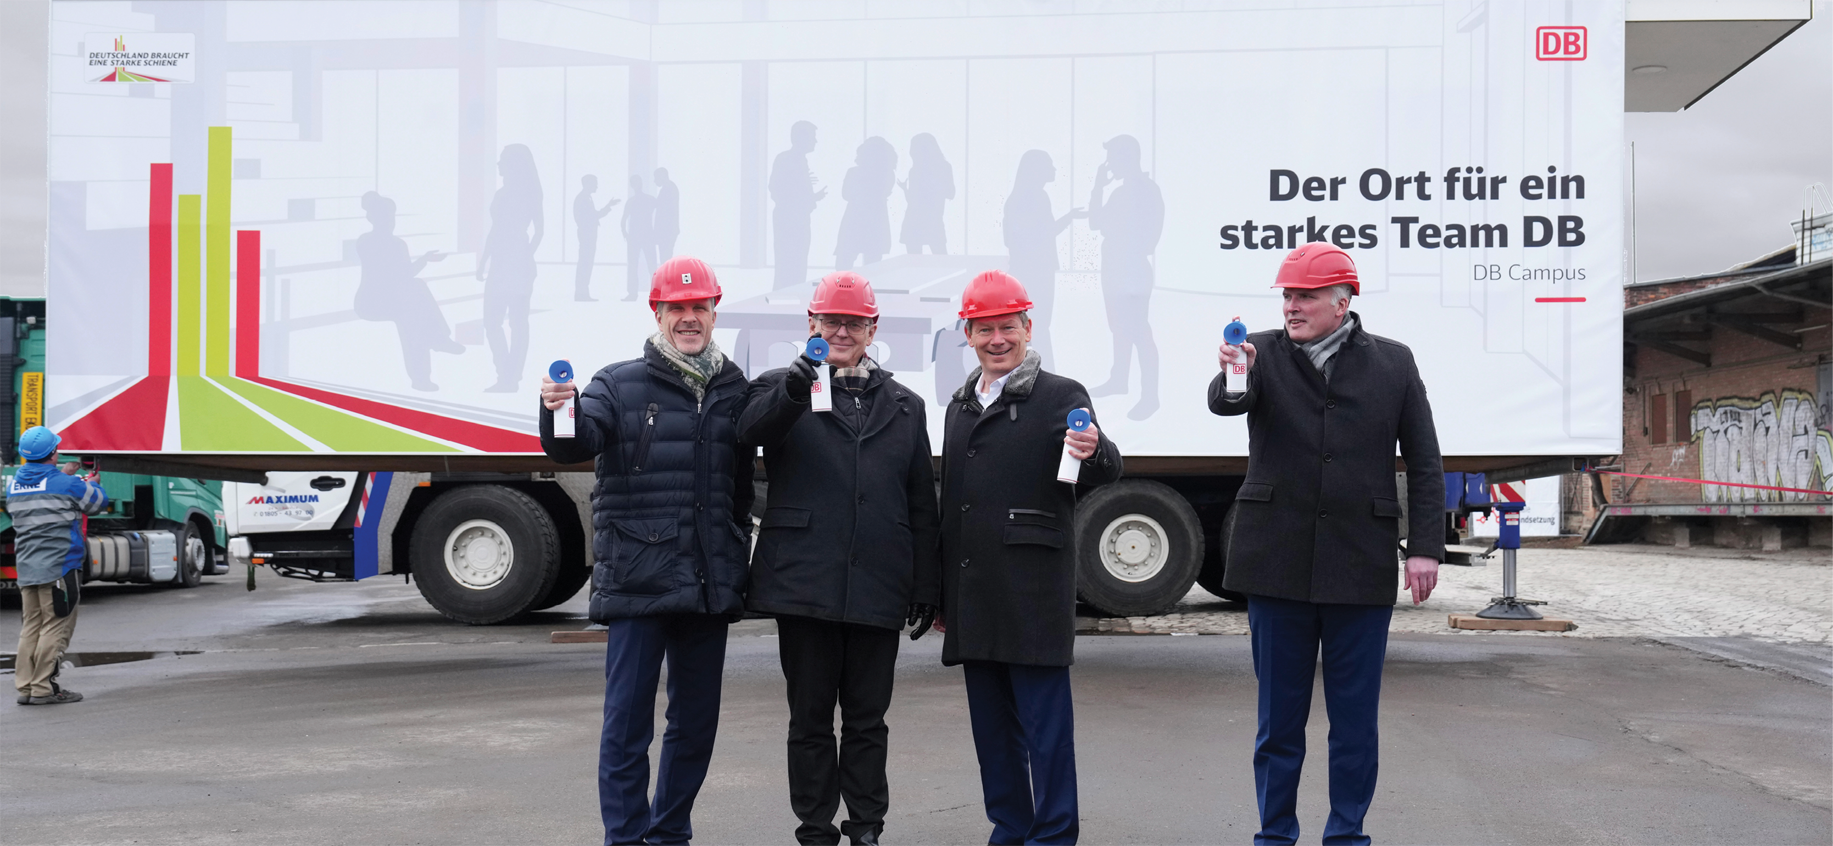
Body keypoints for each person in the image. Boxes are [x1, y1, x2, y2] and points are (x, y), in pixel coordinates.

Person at [1210, 243, 1445, 846]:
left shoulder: (1394, 363)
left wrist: (1425, 546)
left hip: (1358, 562)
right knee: (1277, 723)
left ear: (1342, 302)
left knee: (1354, 724)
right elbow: (1225, 401)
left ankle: (1347, 835)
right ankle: (1275, 834)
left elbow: (1423, 459)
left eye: (1305, 296)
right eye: (1287, 295)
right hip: (1275, 563)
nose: (1292, 306)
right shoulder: (1257, 353)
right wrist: (1235, 369)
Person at [538, 256, 755, 846]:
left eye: (699, 308)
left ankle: (670, 833)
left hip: (708, 583)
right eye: (677, 309)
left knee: (695, 725)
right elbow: (576, 442)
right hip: (638, 579)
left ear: (714, 312)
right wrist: (560, 407)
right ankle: (626, 838)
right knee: (627, 725)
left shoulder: (734, 387)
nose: (689, 318)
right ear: (658, 314)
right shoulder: (618, 383)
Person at [740, 271, 941, 846]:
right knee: (809, 720)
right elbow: (746, 433)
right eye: (832, 321)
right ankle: (815, 827)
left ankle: (867, 826)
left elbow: (920, 502)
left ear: (873, 328)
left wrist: (925, 585)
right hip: (804, 583)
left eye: (854, 322)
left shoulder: (906, 405)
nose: (842, 330)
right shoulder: (778, 387)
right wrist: (794, 389)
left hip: (879, 584)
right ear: (811, 325)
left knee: (867, 720)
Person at [938, 271, 1122, 846]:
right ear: (968, 333)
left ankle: (1054, 834)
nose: (997, 340)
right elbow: (953, 507)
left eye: (1008, 328)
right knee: (992, 732)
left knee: (1046, 731)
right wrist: (944, 592)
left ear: (1028, 327)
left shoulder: (1062, 395)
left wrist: (1094, 449)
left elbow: (1105, 465)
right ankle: (1010, 828)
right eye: (985, 329)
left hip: (1033, 590)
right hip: (975, 591)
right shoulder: (960, 405)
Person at [9, 426, 107, 706]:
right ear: (53, 453)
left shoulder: (14, 485)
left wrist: (63, 474)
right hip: (60, 567)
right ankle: (44, 689)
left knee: (31, 627)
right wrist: (94, 482)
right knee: (56, 626)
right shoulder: (67, 484)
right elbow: (98, 502)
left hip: (28, 567)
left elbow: (44, 491)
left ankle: (27, 687)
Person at [1086, 134, 1163, 420]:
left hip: (1131, 268)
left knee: (1139, 331)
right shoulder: (1124, 191)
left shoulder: (1143, 191)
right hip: (1117, 267)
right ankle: (1119, 379)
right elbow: (1097, 222)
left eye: (1113, 158)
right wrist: (1099, 186)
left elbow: (1147, 234)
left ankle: (1150, 396)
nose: (1109, 164)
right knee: (1119, 327)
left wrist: (1098, 187)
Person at [354, 191, 460, 391]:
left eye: (391, 217)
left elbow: (405, 273)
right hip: (372, 300)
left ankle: (428, 363)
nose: (390, 221)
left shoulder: (398, 244)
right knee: (411, 307)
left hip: (396, 297)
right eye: (386, 217)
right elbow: (387, 275)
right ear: (374, 218)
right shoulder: (366, 242)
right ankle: (437, 342)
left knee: (414, 310)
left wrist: (424, 260)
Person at [1002, 150, 1084, 370]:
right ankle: (1046, 375)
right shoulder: (1031, 197)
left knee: (1034, 326)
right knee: (1038, 326)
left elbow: (1029, 234)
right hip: (1035, 271)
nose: (1054, 169)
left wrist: (1069, 217)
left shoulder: (1024, 196)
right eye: (1049, 165)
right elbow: (1035, 234)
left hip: (1030, 269)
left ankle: (1043, 375)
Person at [477, 143, 543, 392]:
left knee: (515, 322)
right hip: (504, 262)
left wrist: (524, 254)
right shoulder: (503, 193)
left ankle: (509, 377)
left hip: (515, 262)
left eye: (503, 159)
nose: (499, 164)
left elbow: (539, 231)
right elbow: (496, 230)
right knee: (499, 321)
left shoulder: (527, 194)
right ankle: (507, 374)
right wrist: (485, 260)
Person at [771, 121, 826, 289]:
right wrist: (808, 199)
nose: (815, 141)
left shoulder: (798, 160)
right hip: (790, 219)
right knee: (790, 261)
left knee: (797, 261)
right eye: (812, 137)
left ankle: (792, 294)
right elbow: (777, 189)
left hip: (797, 217)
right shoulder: (787, 159)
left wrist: (811, 198)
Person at [834, 137, 897, 270]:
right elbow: (882, 193)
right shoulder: (887, 174)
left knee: (845, 261)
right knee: (872, 263)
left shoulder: (853, 172)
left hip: (855, 219)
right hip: (875, 220)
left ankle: (841, 290)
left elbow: (846, 194)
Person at [898, 133, 954, 255]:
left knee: (916, 262)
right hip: (930, 220)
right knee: (940, 260)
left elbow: (913, 200)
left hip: (920, 220)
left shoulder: (917, 170)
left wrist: (906, 190)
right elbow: (950, 193)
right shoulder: (943, 167)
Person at [573, 175, 621, 302]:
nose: (596, 186)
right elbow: (591, 216)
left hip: (588, 235)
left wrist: (607, 206)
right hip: (586, 235)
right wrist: (607, 207)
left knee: (586, 263)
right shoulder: (582, 199)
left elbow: (593, 216)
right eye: (594, 183)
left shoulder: (586, 198)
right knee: (585, 263)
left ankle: (583, 293)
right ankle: (581, 293)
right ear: (588, 184)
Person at [622, 174, 657, 302]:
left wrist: (625, 233)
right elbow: (623, 219)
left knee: (650, 265)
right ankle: (634, 293)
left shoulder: (645, 200)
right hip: (640, 238)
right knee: (638, 265)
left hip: (643, 237)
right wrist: (625, 234)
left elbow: (623, 220)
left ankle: (649, 293)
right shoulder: (649, 199)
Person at [653, 167, 680, 262]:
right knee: (665, 257)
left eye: (656, 178)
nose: (654, 181)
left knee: (665, 258)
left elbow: (664, 211)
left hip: (667, 230)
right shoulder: (669, 188)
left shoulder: (668, 189)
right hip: (667, 230)